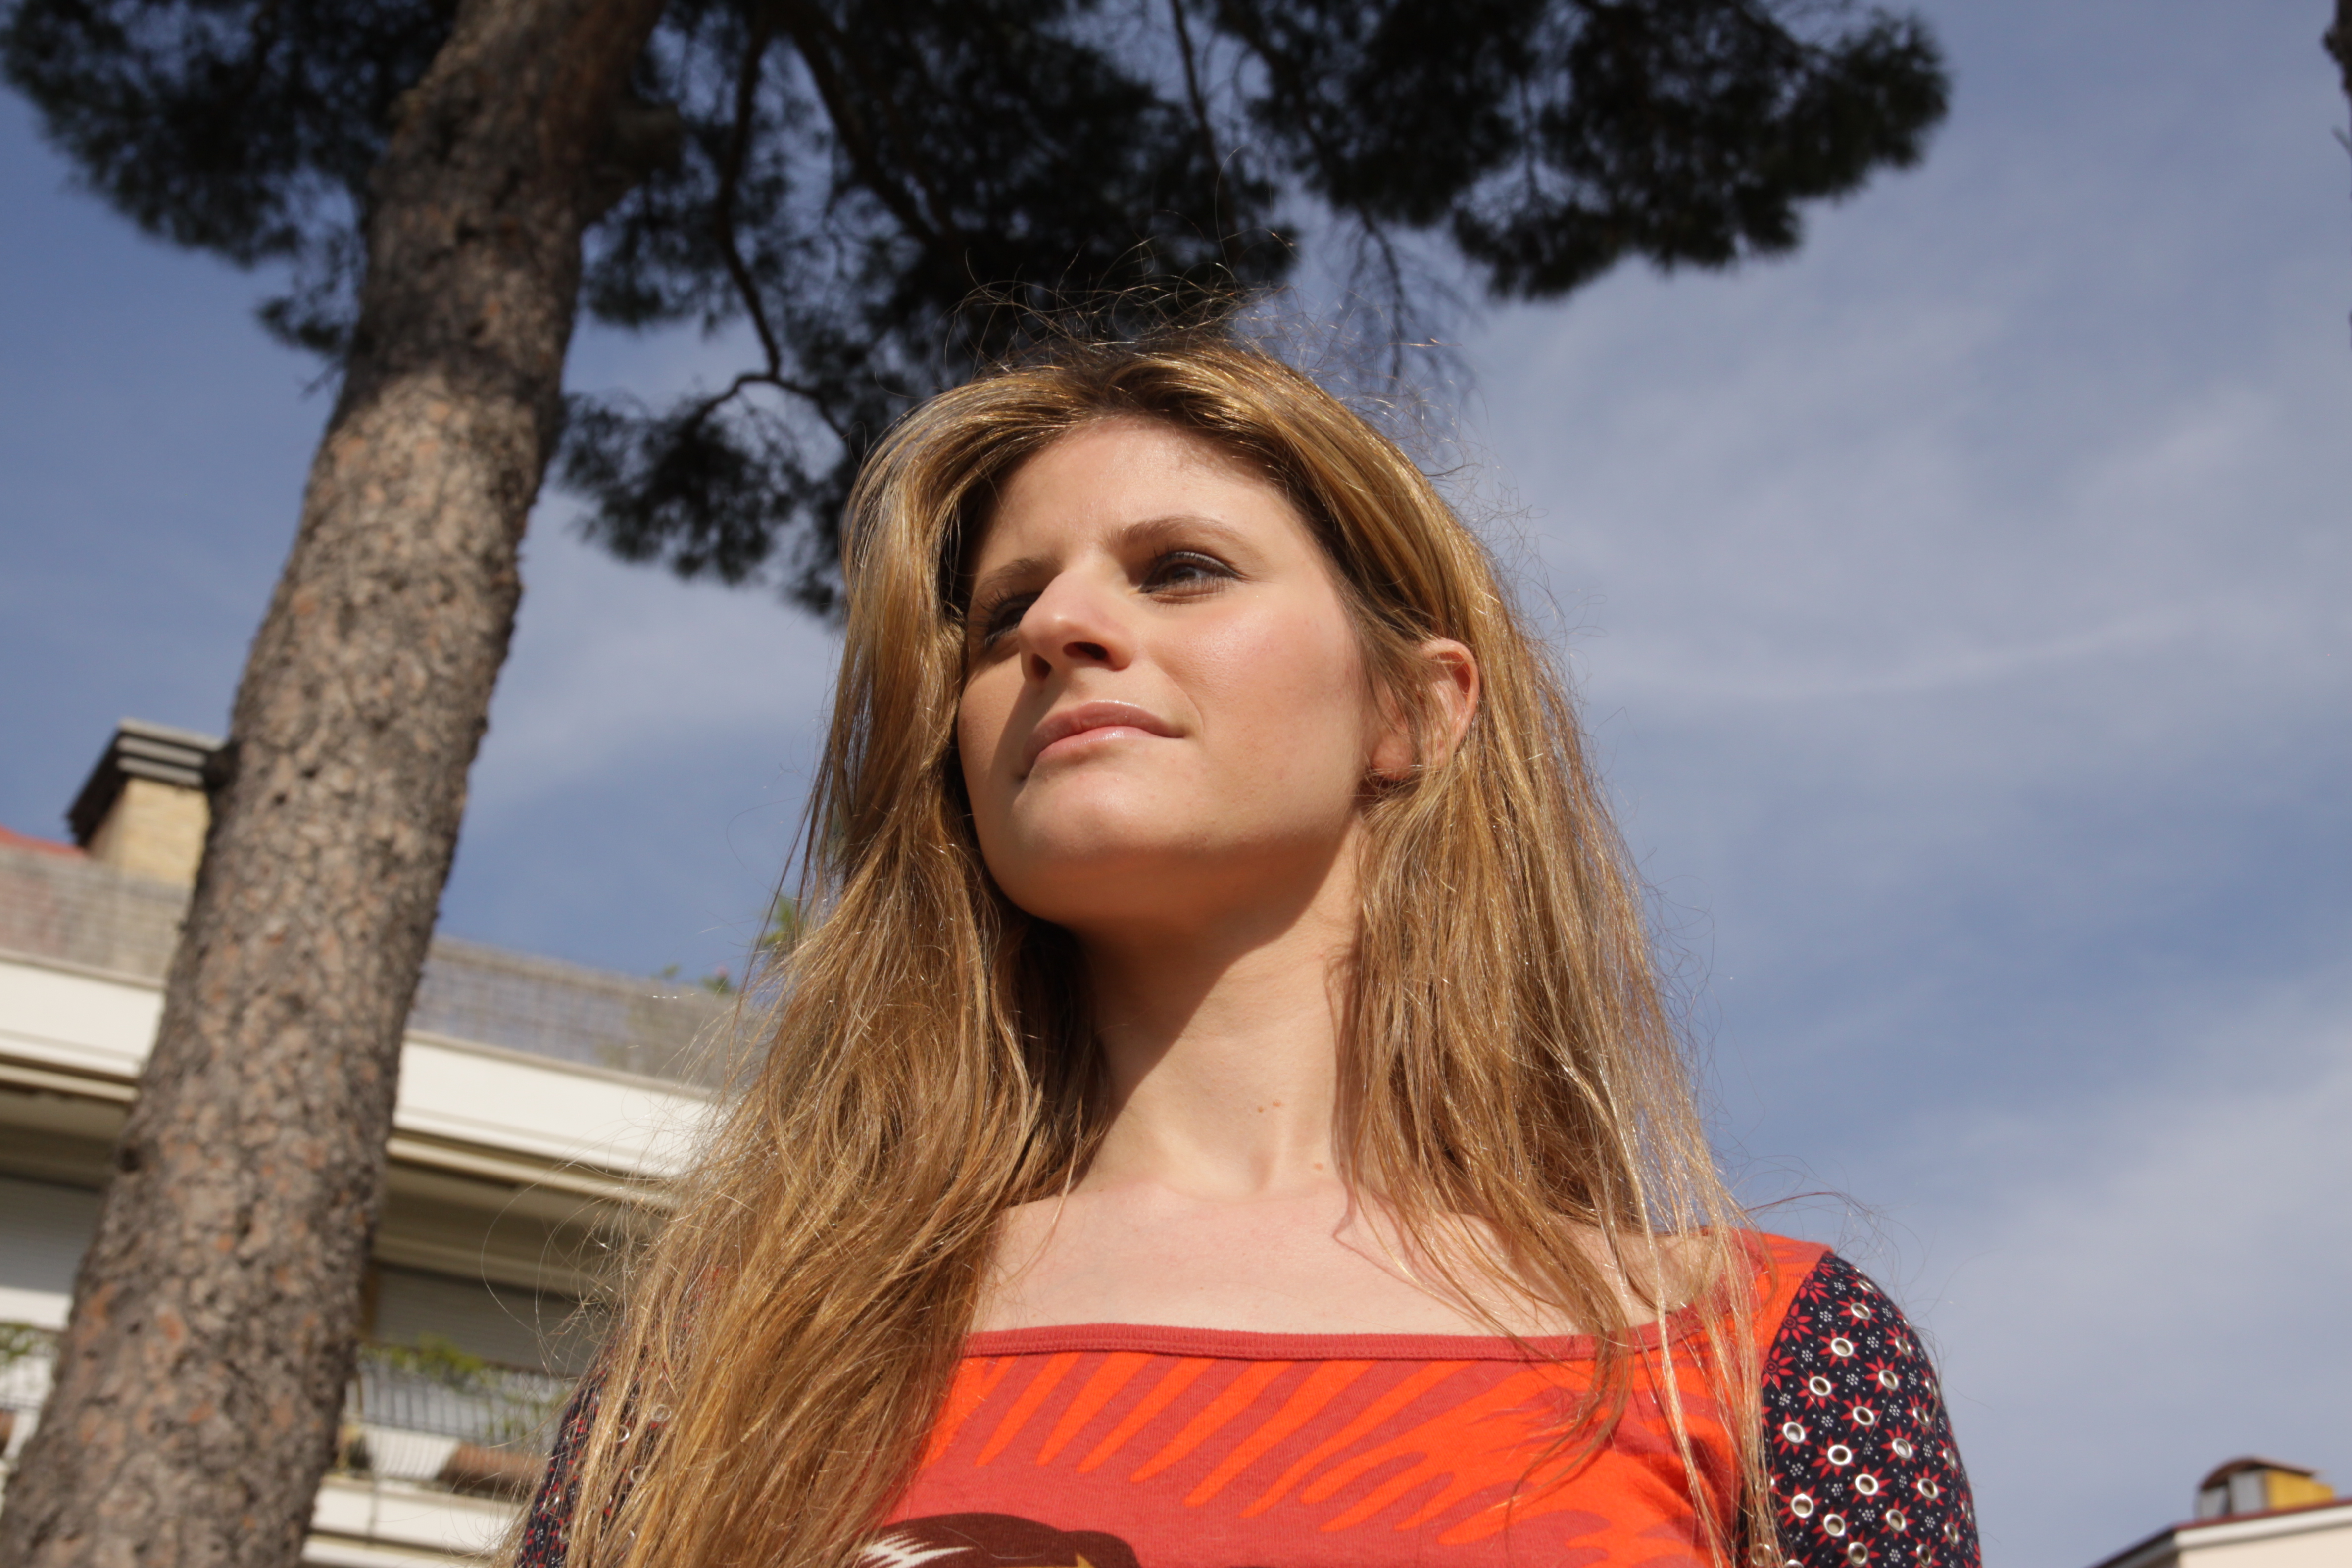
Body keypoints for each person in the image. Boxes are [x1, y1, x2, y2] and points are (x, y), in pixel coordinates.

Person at [512, 328, 1978, 1568]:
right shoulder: (739, 1354)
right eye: (1005, 609)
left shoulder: (1758, 1352)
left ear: (1411, 710)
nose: (1058, 626)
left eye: (1182, 569)